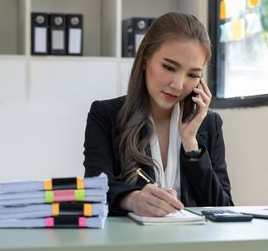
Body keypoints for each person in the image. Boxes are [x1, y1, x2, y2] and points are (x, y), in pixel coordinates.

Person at [83, 12, 233, 217]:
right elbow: (95, 191)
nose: (178, 85)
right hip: (130, 244)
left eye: (192, 75)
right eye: (169, 67)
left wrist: (191, 146)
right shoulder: (105, 116)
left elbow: (223, 208)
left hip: (193, 244)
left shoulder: (209, 124)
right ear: (145, 59)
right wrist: (132, 199)